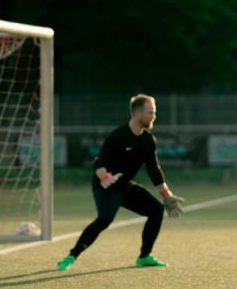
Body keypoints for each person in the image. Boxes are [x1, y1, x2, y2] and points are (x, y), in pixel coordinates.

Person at [57, 94, 184, 270]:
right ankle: (72, 255)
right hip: (106, 186)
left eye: (154, 112)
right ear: (138, 113)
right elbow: (98, 161)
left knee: (156, 210)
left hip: (125, 186)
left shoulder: (148, 140)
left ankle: (144, 256)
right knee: (105, 219)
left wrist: (166, 195)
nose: (154, 116)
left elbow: (154, 169)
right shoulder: (118, 136)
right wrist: (103, 175)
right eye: (150, 112)